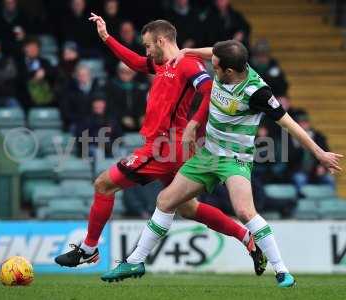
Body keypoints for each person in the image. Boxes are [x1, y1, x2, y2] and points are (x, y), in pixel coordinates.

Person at [103, 41, 343, 287]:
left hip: (235, 159)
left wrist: (319, 152)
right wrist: (188, 52)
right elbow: (214, 53)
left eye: (215, 67)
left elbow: (288, 123)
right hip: (207, 154)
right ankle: (135, 260)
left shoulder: (257, 92)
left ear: (229, 71)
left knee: (245, 212)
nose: (211, 70)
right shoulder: (230, 63)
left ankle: (282, 271)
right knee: (165, 201)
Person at [55, 15, 267, 277]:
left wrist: (193, 125)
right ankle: (245, 236)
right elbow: (134, 62)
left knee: (103, 184)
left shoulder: (188, 65)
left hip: (165, 147)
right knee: (188, 208)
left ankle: (89, 249)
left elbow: (211, 91)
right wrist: (107, 38)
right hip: (170, 146)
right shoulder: (163, 64)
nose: (146, 51)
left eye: (147, 46)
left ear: (161, 40)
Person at [287, 110, 336, 194]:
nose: (304, 125)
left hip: (315, 171)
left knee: (329, 179)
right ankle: (302, 204)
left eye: (305, 122)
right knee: (299, 179)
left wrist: (322, 167)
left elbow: (326, 153)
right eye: (301, 123)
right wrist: (300, 145)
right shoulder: (289, 138)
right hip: (298, 171)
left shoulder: (318, 136)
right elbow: (289, 159)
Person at [106, 62, 147, 132]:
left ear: (134, 73)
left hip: (136, 122)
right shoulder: (112, 86)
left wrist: (142, 115)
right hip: (119, 123)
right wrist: (122, 117)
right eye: (122, 72)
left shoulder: (139, 87)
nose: (125, 75)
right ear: (118, 72)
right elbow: (111, 106)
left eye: (129, 72)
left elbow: (142, 104)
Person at [58, 64, 100, 132]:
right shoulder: (69, 91)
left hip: (96, 122)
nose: (82, 77)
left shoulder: (98, 89)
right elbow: (66, 111)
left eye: (85, 75)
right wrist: (81, 120)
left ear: (90, 76)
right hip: (77, 123)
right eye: (80, 75)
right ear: (76, 76)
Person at [16, 36, 56, 109]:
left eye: (35, 47)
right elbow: (19, 79)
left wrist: (45, 73)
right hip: (25, 99)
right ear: (24, 49)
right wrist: (34, 77)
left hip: (45, 98)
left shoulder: (45, 62)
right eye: (30, 47)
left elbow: (53, 75)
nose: (33, 50)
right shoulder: (19, 64)